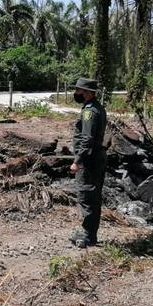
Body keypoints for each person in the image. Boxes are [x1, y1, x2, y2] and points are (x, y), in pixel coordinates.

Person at [69, 78, 107, 248]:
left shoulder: (89, 112)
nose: (76, 94)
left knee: (87, 195)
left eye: (79, 91)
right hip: (95, 157)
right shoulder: (96, 108)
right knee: (92, 196)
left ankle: (88, 234)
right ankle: (89, 231)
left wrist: (78, 161)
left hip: (89, 160)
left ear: (88, 93)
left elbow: (87, 139)